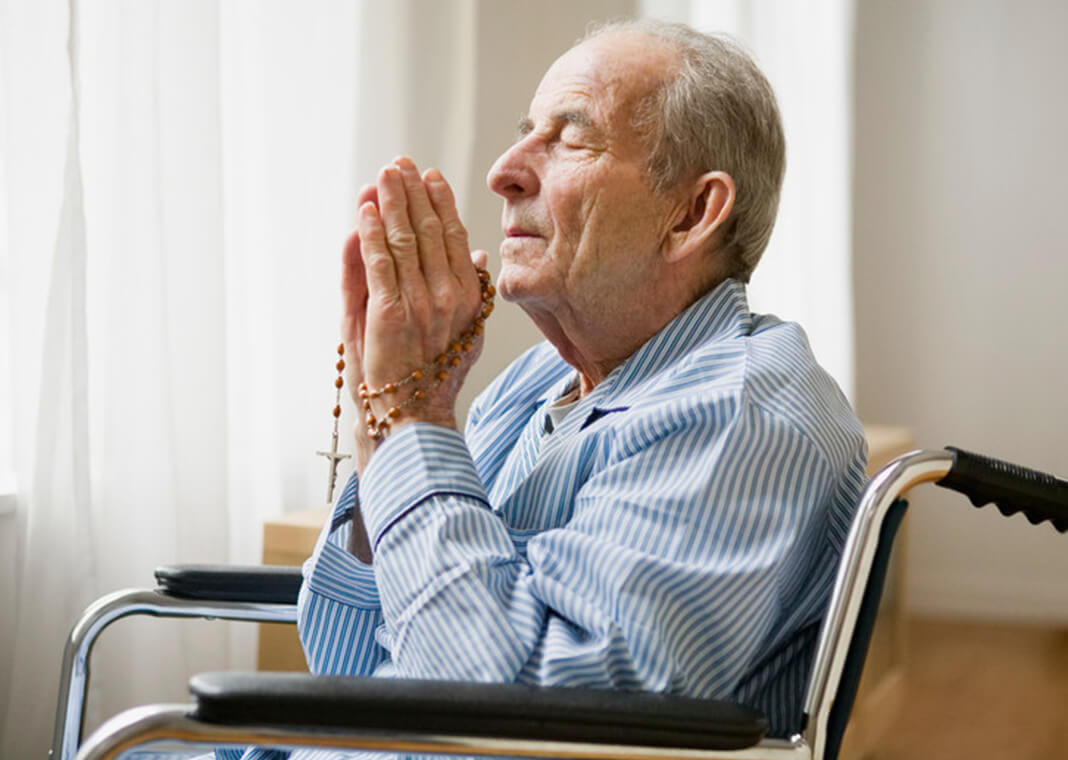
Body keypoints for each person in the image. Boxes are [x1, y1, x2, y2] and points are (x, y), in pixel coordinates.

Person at [216, 18, 866, 760]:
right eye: (527, 131)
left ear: (690, 214)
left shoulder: (740, 413)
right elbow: (353, 654)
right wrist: (379, 432)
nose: (504, 169)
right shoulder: (536, 383)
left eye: (570, 138)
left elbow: (522, 728)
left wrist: (412, 421)